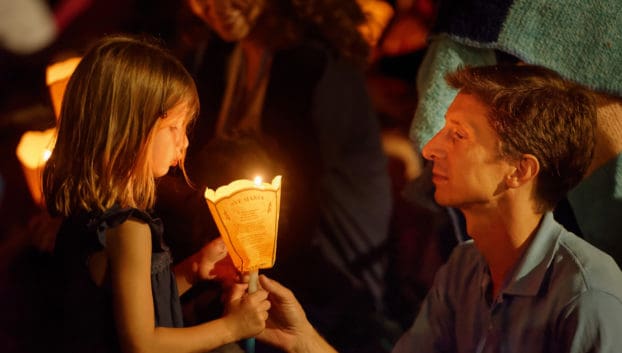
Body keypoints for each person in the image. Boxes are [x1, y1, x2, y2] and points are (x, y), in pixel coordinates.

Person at [254, 64, 622, 353]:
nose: (430, 148)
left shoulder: (586, 293)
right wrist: (303, 340)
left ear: (520, 170)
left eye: (458, 135)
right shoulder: (464, 268)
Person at [157, 1, 395, 351]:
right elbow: (198, 167)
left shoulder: (314, 63)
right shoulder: (219, 54)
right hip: (251, 258)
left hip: (327, 270)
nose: (212, 6)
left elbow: (299, 201)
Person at [43, 34, 270, 353]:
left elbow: (120, 307)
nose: (185, 142)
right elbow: (143, 343)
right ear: (128, 130)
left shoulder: (91, 216)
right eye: (174, 127)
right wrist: (232, 326)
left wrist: (192, 271)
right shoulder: (128, 228)